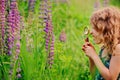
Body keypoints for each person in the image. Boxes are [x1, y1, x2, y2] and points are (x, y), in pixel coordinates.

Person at [82, 7, 120, 80]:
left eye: (95, 28)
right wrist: (91, 57)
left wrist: (94, 55)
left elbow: (111, 78)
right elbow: (94, 75)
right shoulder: (104, 48)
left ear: (106, 30)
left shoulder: (118, 48)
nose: (91, 32)